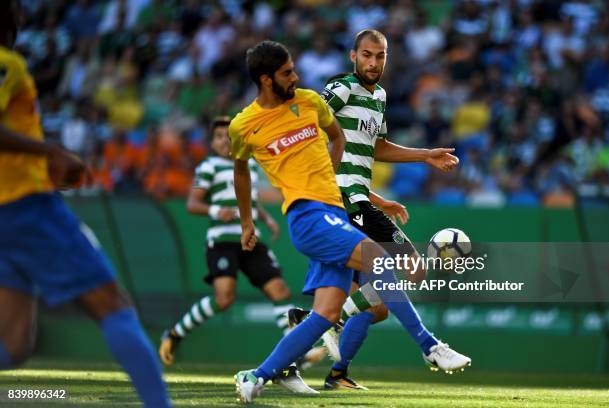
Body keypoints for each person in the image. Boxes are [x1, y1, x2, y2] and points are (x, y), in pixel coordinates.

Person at [229, 40, 470, 404]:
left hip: (334, 211)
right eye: (287, 73)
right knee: (382, 261)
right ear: (265, 80)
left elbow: (338, 138)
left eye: (294, 69)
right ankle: (429, 345)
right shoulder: (243, 125)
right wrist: (247, 222)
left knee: (324, 314)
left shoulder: (309, 102)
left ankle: (257, 375)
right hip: (307, 215)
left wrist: (344, 184)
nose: (296, 76)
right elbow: (242, 172)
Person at [0, 2, 170, 407]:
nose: (22, 17)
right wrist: (50, 151)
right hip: (23, 208)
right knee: (113, 305)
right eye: (14, 9)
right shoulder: (7, 63)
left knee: (15, 342)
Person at [309, 29, 466, 390]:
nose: (373, 62)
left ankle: (336, 370)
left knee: (376, 305)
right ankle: (430, 346)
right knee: (412, 267)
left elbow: (374, 149)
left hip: (360, 198)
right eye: (366, 55)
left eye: (380, 56)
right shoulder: (342, 88)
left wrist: (424, 156)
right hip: (343, 201)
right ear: (353, 56)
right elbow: (310, 122)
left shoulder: (378, 96)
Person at [158, 116, 324, 393]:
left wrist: (266, 219)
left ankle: (295, 355)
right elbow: (192, 203)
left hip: (250, 239)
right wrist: (215, 212)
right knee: (224, 299)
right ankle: (174, 333)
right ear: (212, 143)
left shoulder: (249, 166)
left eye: (229, 137)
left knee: (279, 290)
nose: (225, 141)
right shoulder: (207, 167)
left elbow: (249, 201)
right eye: (219, 137)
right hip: (222, 241)